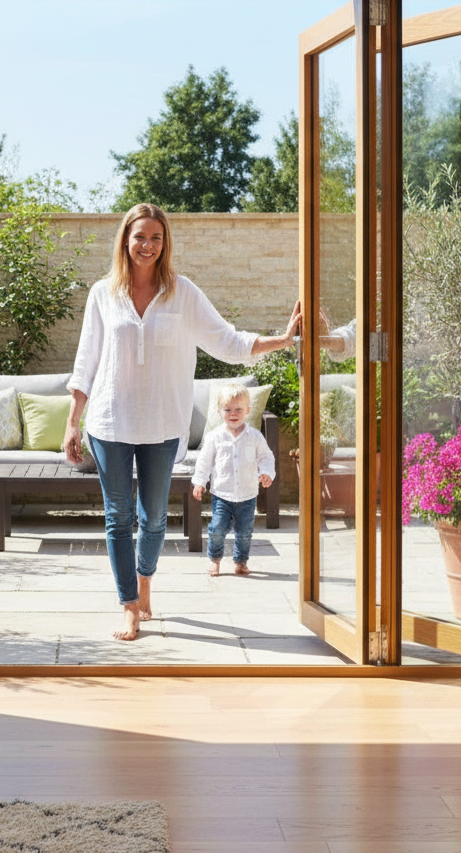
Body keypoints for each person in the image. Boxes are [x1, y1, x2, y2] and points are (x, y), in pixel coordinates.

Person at [63, 203, 300, 641]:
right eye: (139, 237)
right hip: (109, 424)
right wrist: (73, 421)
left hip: (162, 424)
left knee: (153, 518)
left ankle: (145, 582)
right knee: (118, 519)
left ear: (165, 242)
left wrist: (282, 340)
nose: (147, 245)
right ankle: (129, 606)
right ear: (125, 240)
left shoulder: (183, 293)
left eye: (156, 237)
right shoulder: (103, 293)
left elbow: (227, 340)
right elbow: (87, 362)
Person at [191, 383, 275, 576]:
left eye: (238, 409)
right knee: (217, 529)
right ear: (220, 412)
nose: (233, 414)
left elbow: (266, 457)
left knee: (244, 533)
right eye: (228, 410)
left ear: (247, 410)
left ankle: (240, 561)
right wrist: (199, 482)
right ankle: (214, 559)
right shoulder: (215, 437)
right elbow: (204, 461)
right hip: (222, 494)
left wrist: (267, 473)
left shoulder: (254, 436)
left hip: (247, 495)